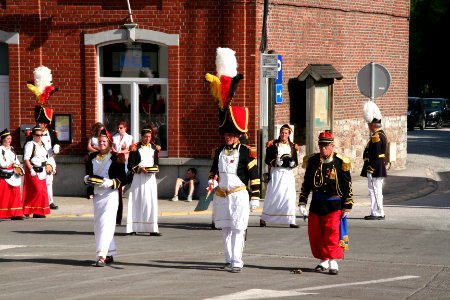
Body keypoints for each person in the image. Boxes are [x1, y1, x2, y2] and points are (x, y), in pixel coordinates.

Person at [298, 131, 353, 275]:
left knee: (332, 233)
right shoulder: (313, 161)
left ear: (332, 146)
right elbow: (307, 183)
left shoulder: (341, 162)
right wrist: (302, 202)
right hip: (317, 203)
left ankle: (333, 260)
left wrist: (347, 204)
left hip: (334, 203)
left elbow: (347, 185)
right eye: (321, 146)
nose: (323, 149)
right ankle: (323, 260)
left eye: (326, 146)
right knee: (316, 234)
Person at [209, 129, 261, 273]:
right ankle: (228, 259)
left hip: (238, 194)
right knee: (225, 228)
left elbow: (254, 175)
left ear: (238, 136)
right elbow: (213, 171)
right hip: (222, 195)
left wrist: (255, 196)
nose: (227, 138)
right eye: (226, 135)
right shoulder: (219, 151)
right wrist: (211, 181)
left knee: (238, 228)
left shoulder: (246, 152)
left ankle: (237, 261)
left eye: (230, 135)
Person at [84, 128, 127, 267]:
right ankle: (109, 253)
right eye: (100, 141)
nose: (102, 143)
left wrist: (109, 182)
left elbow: (123, 179)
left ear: (109, 143)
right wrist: (87, 180)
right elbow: (88, 174)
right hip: (98, 195)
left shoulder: (116, 157)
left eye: (104, 141)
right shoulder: (91, 158)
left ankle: (101, 256)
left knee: (106, 224)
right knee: (98, 226)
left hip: (110, 195)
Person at [260, 124, 299, 228]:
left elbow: (296, 161)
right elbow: (267, 160)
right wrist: (276, 162)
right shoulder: (273, 145)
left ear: (289, 134)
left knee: (289, 196)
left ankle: (291, 219)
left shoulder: (292, 146)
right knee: (273, 195)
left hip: (287, 173)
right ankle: (264, 218)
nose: (283, 135)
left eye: (286, 133)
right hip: (277, 173)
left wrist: (292, 163)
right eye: (282, 133)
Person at [126, 127, 162, 236]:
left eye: (149, 137)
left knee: (150, 201)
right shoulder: (135, 148)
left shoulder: (154, 148)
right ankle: (133, 227)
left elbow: (156, 163)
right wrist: (139, 169)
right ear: (141, 136)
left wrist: (156, 168)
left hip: (150, 178)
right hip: (138, 177)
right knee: (136, 201)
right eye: (145, 136)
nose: (147, 138)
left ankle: (152, 228)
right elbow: (130, 165)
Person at [361, 101, 387, 220]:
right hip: (378, 167)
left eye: (369, 124)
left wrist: (371, 168)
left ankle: (377, 213)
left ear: (372, 125)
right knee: (376, 190)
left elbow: (375, 155)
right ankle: (378, 212)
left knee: (375, 191)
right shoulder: (381, 134)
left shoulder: (376, 136)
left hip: (375, 167)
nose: (368, 126)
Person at [22, 125, 51, 218]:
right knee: (37, 190)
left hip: (42, 171)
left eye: (41, 135)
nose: (39, 137)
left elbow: (46, 158)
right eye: (37, 135)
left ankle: (38, 212)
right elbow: (26, 159)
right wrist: (31, 169)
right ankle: (27, 209)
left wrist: (49, 167)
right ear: (33, 135)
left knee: (42, 192)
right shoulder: (30, 144)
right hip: (34, 170)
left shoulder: (42, 145)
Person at [0, 129, 25, 220]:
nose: (9, 140)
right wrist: (11, 163)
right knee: (5, 196)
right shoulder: (0, 150)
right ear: (3, 139)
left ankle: (16, 213)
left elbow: (17, 161)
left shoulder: (12, 149)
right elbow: (2, 164)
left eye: (10, 138)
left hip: (14, 174)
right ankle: (4, 213)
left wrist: (17, 165)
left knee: (15, 194)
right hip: (5, 175)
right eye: (7, 139)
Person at [112, 120, 133, 225]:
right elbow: (113, 148)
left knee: (122, 184)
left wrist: (120, 152)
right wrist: (118, 151)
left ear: (125, 128)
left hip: (124, 161)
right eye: (118, 128)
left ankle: (121, 190)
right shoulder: (115, 137)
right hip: (116, 162)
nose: (119, 130)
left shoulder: (129, 137)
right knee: (118, 186)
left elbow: (128, 149)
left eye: (121, 128)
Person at [37, 120, 60, 210]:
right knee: (40, 181)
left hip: (49, 158)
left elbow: (56, 142)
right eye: (38, 123)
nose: (40, 124)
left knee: (49, 181)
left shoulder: (51, 133)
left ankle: (49, 202)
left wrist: (57, 146)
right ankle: (40, 201)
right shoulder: (33, 134)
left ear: (45, 124)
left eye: (41, 123)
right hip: (38, 160)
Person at [86, 122, 104, 199]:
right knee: (90, 173)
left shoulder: (103, 137)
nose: (102, 131)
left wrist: (97, 149)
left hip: (100, 157)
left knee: (99, 173)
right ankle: (90, 192)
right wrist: (96, 150)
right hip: (92, 157)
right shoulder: (92, 137)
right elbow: (89, 147)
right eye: (101, 130)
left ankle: (99, 191)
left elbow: (103, 147)